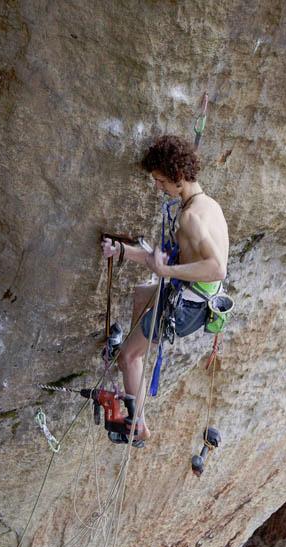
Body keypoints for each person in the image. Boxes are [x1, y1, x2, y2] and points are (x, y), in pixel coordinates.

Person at [101, 135, 229, 442]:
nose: (159, 188)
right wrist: (123, 251)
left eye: (161, 182)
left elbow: (216, 266)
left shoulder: (190, 217)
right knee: (143, 293)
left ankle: (139, 425)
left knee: (129, 358)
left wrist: (166, 270)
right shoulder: (207, 204)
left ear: (179, 178)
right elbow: (177, 258)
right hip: (196, 297)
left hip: (188, 307)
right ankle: (134, 348)